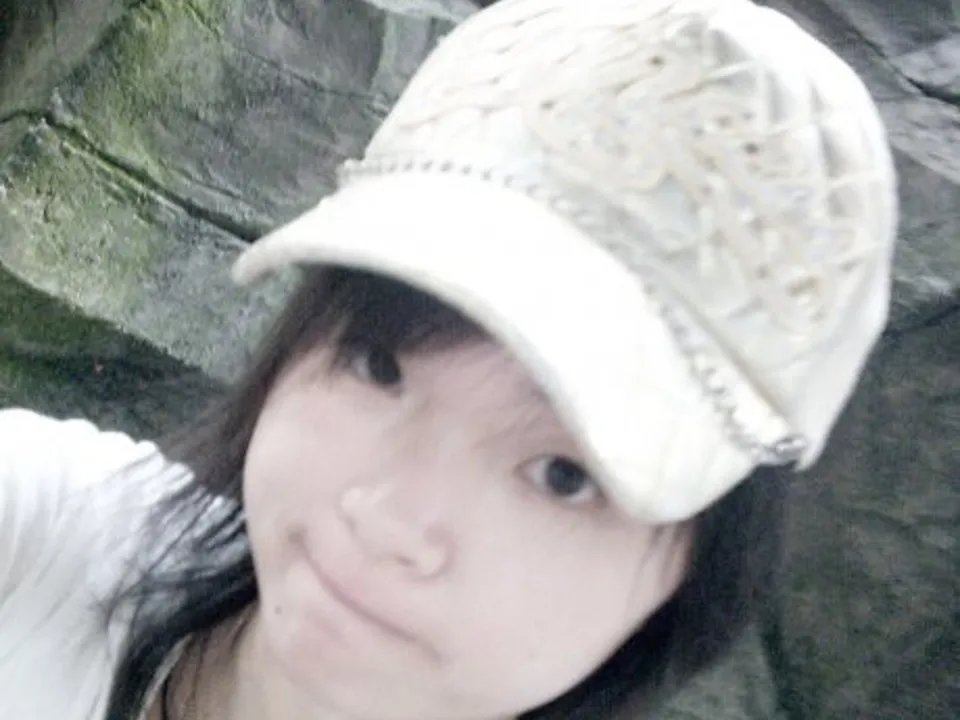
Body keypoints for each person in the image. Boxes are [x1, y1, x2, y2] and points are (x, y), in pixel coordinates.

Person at [0, 0, 897, 718]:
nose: (389, 518)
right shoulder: (49, 541)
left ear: (697, 573)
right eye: (378, 364)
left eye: (563, 475)